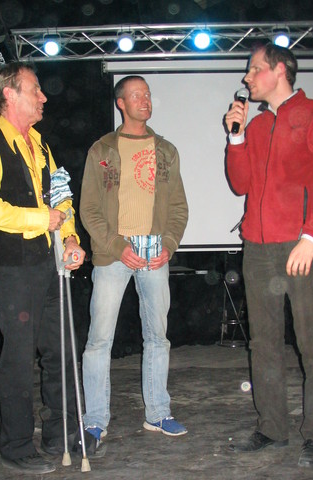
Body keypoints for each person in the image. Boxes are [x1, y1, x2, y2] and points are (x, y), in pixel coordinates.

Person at [224, 44, 313, 467]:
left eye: (254, 69)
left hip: (299, 246)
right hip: (257, 250)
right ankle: (272, 427)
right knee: (264, 344)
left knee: (311, 341)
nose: (247, 78)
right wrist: (236, 136)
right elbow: (240, 184)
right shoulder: (257, 126)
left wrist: (311, 237)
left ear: (280, 70)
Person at [0, 62, 85, 474]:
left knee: (61, 351)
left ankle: (60, 434)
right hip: (12, 270)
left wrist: (70, 238)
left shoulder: (42, 146)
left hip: (48, 265)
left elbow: (61, 199)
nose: (44, 97)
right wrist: (39, 219)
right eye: (35, 89)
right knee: (18, 358)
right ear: (9, 94)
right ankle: (16, 445)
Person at [79, 75, 189, 454]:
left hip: (155, 252)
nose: (145, 100)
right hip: (114, 254)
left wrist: (169, 244)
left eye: (148, 94)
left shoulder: (166, 151)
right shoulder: (102, 150)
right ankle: (95, 420)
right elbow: (89, 208)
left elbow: (178, 207)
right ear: (121, 103)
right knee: (99, 341)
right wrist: (116, 245)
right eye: (137, 95)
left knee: (158, 337)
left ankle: (157, 413)